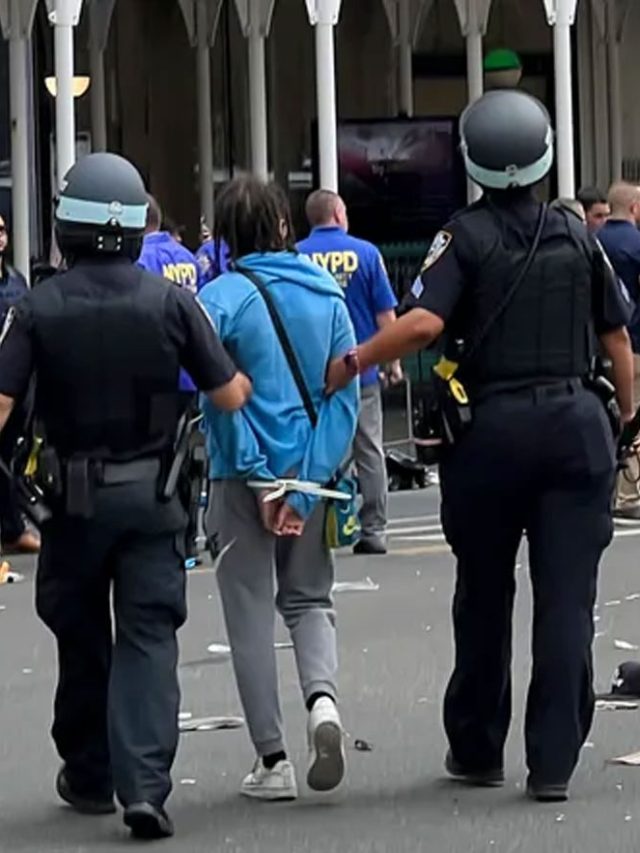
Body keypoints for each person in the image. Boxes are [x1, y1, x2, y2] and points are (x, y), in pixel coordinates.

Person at [326, 90, 634, 803]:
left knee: (484, 593)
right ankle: (553, 762)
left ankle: (478, 746)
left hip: (492, 435)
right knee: (566, 601)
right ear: (545, 159)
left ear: (474, 164)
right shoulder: (576, 237)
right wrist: (625, 420)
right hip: (574, 426)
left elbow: (425, 323)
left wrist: (352, 361)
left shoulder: (462, 237)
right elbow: (618, 342)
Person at [0, 153, 251, 840]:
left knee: (80, 634)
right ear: (138, 227)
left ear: (65, 227)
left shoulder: (35, 307)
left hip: (69, 501)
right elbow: (228, 392)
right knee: (148, 638)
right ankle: (145, 786)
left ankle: (88, 771)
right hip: (154, 498)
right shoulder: (170, 301)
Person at [199, 176, 359, 801]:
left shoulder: (220, 299)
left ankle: (273, 760)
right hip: (310, 475)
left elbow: (216, 397)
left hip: (241, 476)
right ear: (285, 227)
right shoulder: (328, 292)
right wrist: (306, 482)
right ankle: (323, 702)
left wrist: (260, 475)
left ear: (226, 236)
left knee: (247, 614)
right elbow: (343, 397)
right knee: (310, 599)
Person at [297, 189, 401, 555]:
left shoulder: (297, 257)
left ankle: (326, 527)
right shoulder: (367, 254)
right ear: (340, 214)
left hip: (314, 372)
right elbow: (385, 316)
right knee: (369, 449)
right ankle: (374, 528)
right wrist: (393, 362)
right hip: (362, 367)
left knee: (321, 448)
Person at [138, 195, 204, 557]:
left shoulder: (139, 260)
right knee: (186, 456)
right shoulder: (188, 258)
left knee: (160, 459)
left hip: (157, 374)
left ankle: (167, 536)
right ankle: (189, 533)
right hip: (190, 373)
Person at [598, 182, 640, 519]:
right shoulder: (636, 243)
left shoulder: (593, 241)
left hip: (594, 347)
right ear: (635, 208)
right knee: (633, 415)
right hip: (632, 341)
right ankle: (629, 494)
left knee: (604, 418)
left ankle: (606, 489)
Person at [0, 214, 40, 555]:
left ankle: (12, 528)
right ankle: (12, 527)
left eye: (0, 230)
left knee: (9, 456)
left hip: (13, 383)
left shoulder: (16, 282)